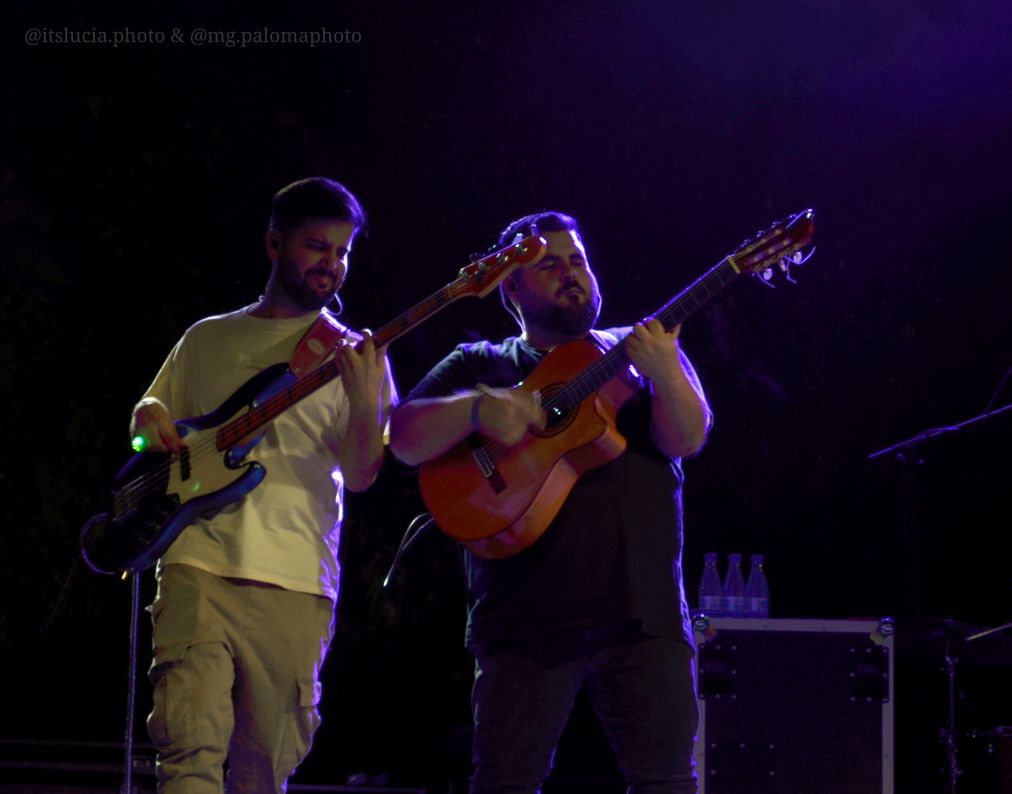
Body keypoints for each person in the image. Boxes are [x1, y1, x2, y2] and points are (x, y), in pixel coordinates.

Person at [389, 211, 712, 793]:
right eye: (549, 265)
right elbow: (405, 436)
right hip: (521, 617)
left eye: (578, 261)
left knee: (666, 782)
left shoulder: (638, 350)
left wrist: (664, 367)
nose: (571, 274)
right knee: (505, 783)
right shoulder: (480, 364)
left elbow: (686, 438)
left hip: (643, 612)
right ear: (510, 287)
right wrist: (478, 409)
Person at [131, 177, 397, 792]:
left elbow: (361, 475)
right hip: (197, 563)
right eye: (316, 246)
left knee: (264, 771)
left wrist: (363, 403)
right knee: (188, 752)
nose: (331, 264)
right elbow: (152, 416)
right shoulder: (207, 337)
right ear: (274, 244)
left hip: (297, 580)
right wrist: (145, 418)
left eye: (342, 251)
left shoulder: (358, 356)